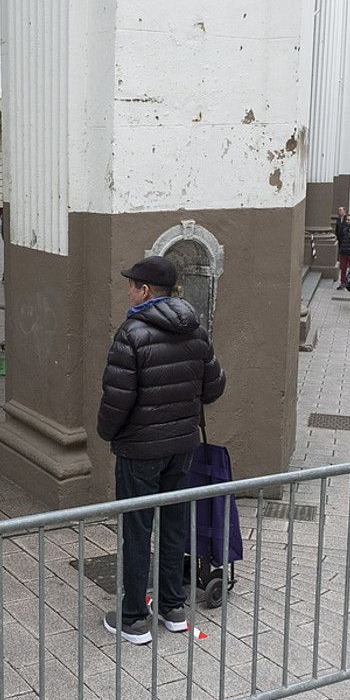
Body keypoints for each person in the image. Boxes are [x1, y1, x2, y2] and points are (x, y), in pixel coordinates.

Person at [97, 256, 226, 645]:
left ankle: (134, 616)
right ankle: (172, 607)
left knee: (136, 530)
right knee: (174, 524)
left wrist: (107, 433)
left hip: (139, 450)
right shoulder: (196, 330)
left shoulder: (131, 333)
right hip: (181, 446)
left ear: (146, 291)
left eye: (132, 284)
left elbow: (116, 400)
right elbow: (215, 387)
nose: (128, 290)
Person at [333, 210, 350, 290]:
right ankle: (343, 282)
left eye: (348, 220)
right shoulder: (345, 230)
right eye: (346, 219)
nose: (347, 221)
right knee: (343, 269)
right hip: (343, 252)